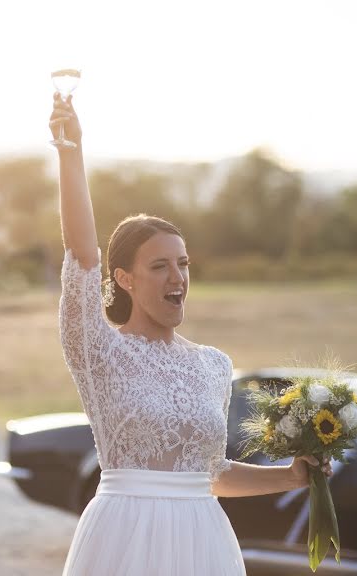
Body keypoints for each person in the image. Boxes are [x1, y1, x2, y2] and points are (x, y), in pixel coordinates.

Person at [50, 94, 332, 575]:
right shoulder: (99, 351)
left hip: (203, 541)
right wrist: (71, 153)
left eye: (182, 264)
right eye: (159, 266)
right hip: (125, 536)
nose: (176, 277)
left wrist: (292, 476)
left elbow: (212, 475)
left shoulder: (213, 364)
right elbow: (81, 251)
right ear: (124, 278)